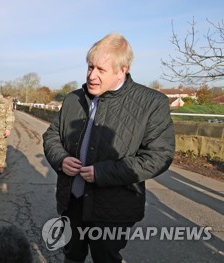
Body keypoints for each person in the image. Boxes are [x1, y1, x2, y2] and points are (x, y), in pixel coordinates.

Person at [42, 33, 175, 263]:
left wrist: (103, 172)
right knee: (72, 255)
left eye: (101, 70)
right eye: (90, 67)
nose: (91, 75)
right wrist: (61, 159)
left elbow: (159, 155)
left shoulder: (152, 103)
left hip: (113, 208)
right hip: (72, 202)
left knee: (106, 258)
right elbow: (52, 135)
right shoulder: (73, 99)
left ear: (122, 70)